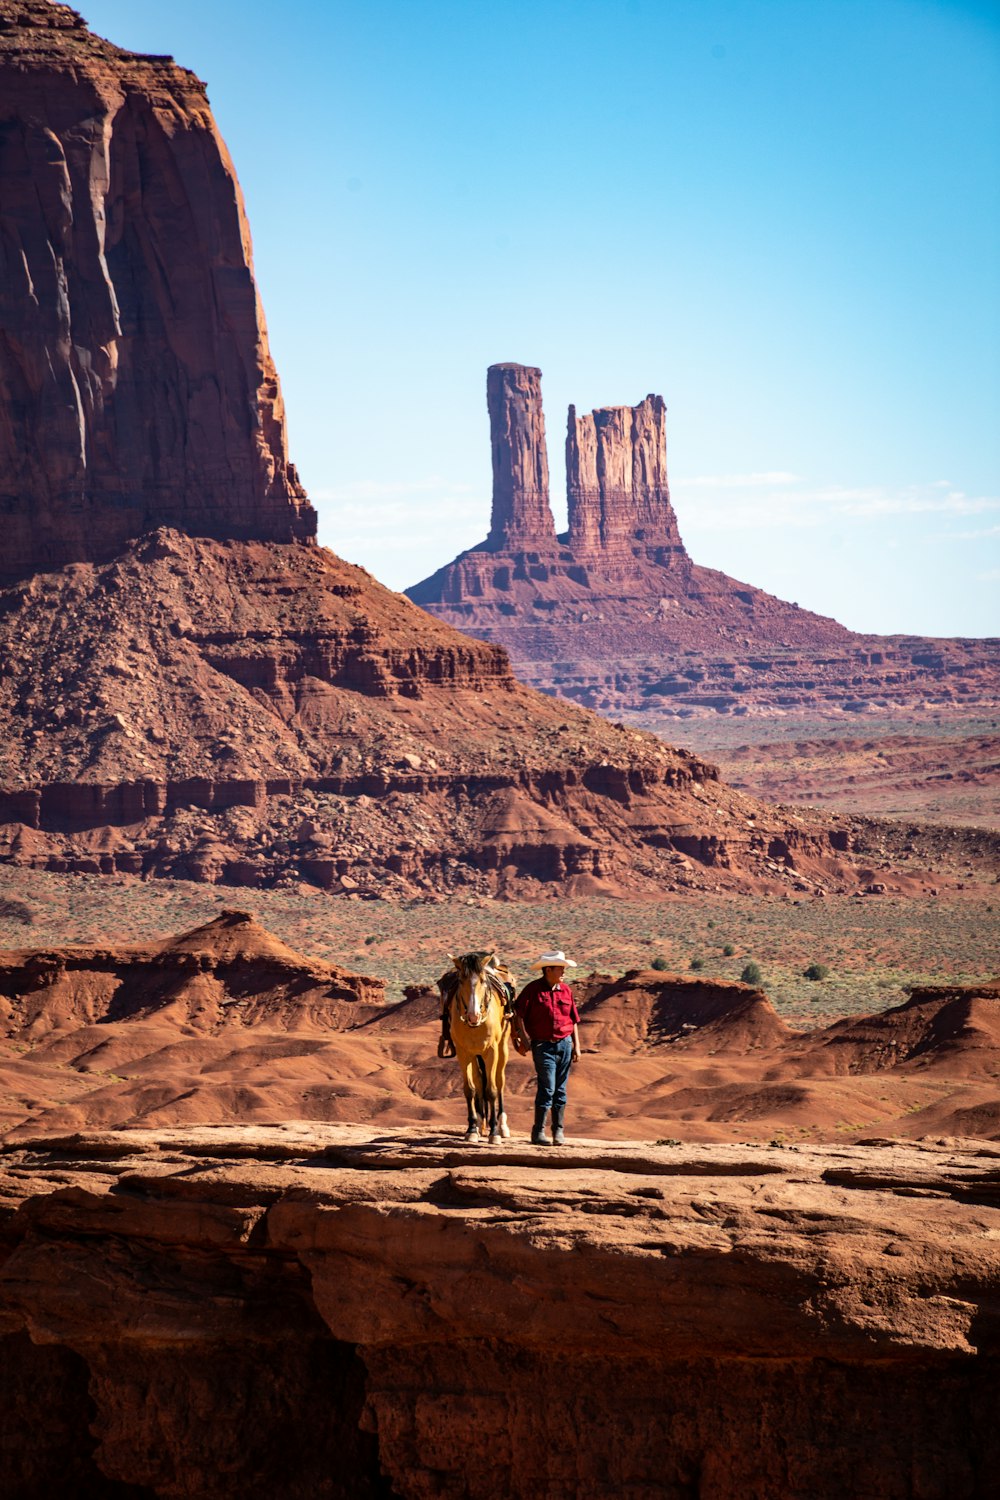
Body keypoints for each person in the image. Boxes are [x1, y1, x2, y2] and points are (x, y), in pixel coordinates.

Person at [513, 950, 580, 1145]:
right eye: (561, 968)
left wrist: (577, 1046)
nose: (563, 972)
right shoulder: (533, 990)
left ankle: (558, 1131)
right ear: (548, 969)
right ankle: (538, 1133)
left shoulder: (566, 990)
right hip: (543, 1046)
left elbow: (573, 1019)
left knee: (561, 1090)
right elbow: (518, 1015)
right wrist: (523, 1040)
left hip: (565, 1044)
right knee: (547, 1088)